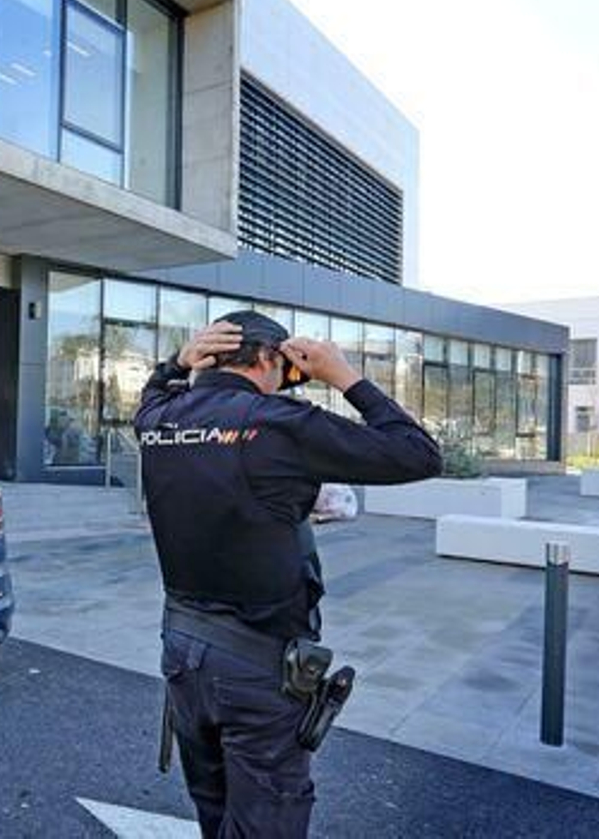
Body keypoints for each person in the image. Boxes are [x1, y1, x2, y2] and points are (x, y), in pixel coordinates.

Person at [136, 311, 441, 838]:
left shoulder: (162, 419)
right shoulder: (276, 422)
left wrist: (174, 363)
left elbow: (147, 400)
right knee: (267, 821)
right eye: (282, 367)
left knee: (214, 809)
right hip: (257, 665)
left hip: (184, 654)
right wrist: (344, 376)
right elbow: (419, 455)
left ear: (207, 357)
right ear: (266, 358)